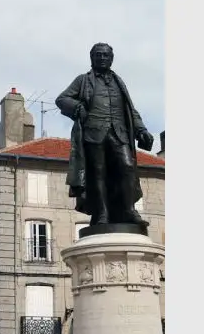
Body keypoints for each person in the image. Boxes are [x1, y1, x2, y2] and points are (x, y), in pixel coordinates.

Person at [55, 43, 155, 227]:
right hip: (94, 134)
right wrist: (77, 107)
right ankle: (101, 213)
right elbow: (62, 99)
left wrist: (141, 129)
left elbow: (130, 110)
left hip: (119, 133)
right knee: (97, 174)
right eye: (98, 55)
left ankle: (128, 210)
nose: (102, 58)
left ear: (111, 58)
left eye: (105, 55)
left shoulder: (119, 82)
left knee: (127, 167)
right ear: (92, 58)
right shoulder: (83, 80)